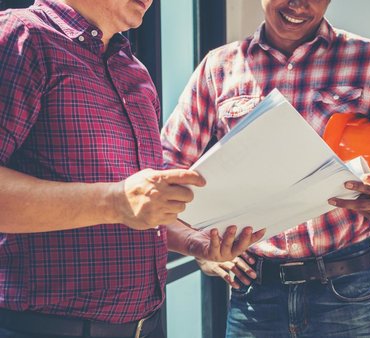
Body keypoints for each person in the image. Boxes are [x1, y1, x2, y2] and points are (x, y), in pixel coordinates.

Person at [161, 0, 370, 336]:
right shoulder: (218, 68)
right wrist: (199, 246)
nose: (298, 4)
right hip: (254, 296)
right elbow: (168, 170)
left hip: (345, 291)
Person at [0, 1, 263, 338]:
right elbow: (123, 202)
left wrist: (193, 241)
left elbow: (140, 208)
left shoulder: (135, 71)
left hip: (147, 326)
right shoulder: (22, 37)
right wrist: (115, 201)